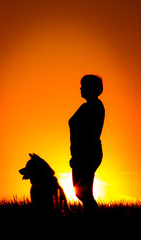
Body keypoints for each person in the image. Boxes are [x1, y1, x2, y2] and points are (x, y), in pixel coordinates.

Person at [69, 75, 105, 216]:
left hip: (87, 152)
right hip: (83, 152)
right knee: (82, 193)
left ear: (93, 89)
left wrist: (79, 154)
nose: (81, 88)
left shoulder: (93, 106)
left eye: (84, 86)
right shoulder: (90, 106)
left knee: (83, 192)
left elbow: (89, 133)